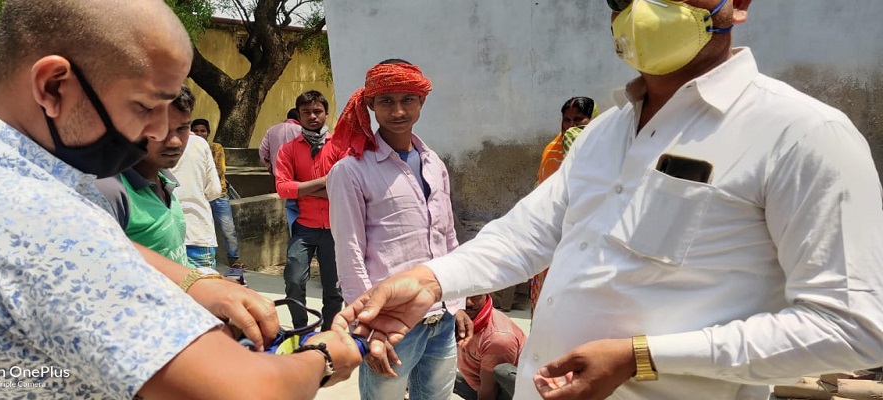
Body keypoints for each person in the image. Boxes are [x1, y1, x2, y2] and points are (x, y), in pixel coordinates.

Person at [334, 1, 883, 400]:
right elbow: (524, 235)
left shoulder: (802, 134)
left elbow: (854, 328)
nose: (641, 9)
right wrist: (431, 281)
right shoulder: (603, 133)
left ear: (736, 4)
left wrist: (640, 358)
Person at [0, 1, 360, 398]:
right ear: (53, 86)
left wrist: (194, 282)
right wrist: (321, 358)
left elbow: (77, 252)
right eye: (144, 106)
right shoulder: (40, 218)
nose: (156, 132)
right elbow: (248, 391)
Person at [326, 59, 472, 400]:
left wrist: (458, 301)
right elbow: (348, 251)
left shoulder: (434, 162)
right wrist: (367, 324)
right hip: (389, 322)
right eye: (387, 101)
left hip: (441, 315)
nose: (398, 110)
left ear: (421, 102)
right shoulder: (351, 170)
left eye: (407, 99)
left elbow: (447, 237)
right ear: (371, 105)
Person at [94, 86, 195, 266]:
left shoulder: (166, 181)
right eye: (161, 128)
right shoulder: (110, 192)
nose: (174, 142)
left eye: (182, 128)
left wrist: (210, 279)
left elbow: (175, 260)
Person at [275, 90, 343, 332]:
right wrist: (324, 181)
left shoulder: (339, 147)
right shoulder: (288, 150)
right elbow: (283, 188)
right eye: (306, 112)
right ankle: (301, 329)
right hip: (304, 226)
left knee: (334, 288)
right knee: (293, 279)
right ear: (299, 116)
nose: (312, 116)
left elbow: (344, 188)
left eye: (317, 111)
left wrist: (301, 189)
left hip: (336, 227)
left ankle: (328, 334)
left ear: (326, 113)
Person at [529, 96, 598, 314]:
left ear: (593, 120)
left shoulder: (604, 149)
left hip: (586, 234)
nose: (571, 126)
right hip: (552, 233)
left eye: (579, 120)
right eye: (567, 120)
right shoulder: (551, 149)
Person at [191, 118, 246, 277]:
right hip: (198, 195)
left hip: (218, 194)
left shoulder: (215, 148)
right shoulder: (188, 148)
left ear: (208, 133)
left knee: (228, 228)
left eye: (203, 131)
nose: (199, 134)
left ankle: (233, 259)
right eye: (196, 131)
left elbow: (219, 171)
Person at [454, 294, 527, 400]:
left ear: (488, 293)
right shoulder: (457, 317)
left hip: (503, 392)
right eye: (462, 296)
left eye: (476, 296)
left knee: (501, 372)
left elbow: (489, 391)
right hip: (478, 382)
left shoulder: (498, 339)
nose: (468, 303)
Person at [171, 123, 222, 270]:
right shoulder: (199, 144)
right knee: (203, 289)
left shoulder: (145, 140)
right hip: (197, 230)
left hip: (159, 235)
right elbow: (214, 190)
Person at [262, 108, 304, 228]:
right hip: (301, 178)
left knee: (287, 209)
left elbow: (263, 152)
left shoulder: (271, 130)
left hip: (279, 178)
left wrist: (270, 167)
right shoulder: (302, 130)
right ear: (299, 118)